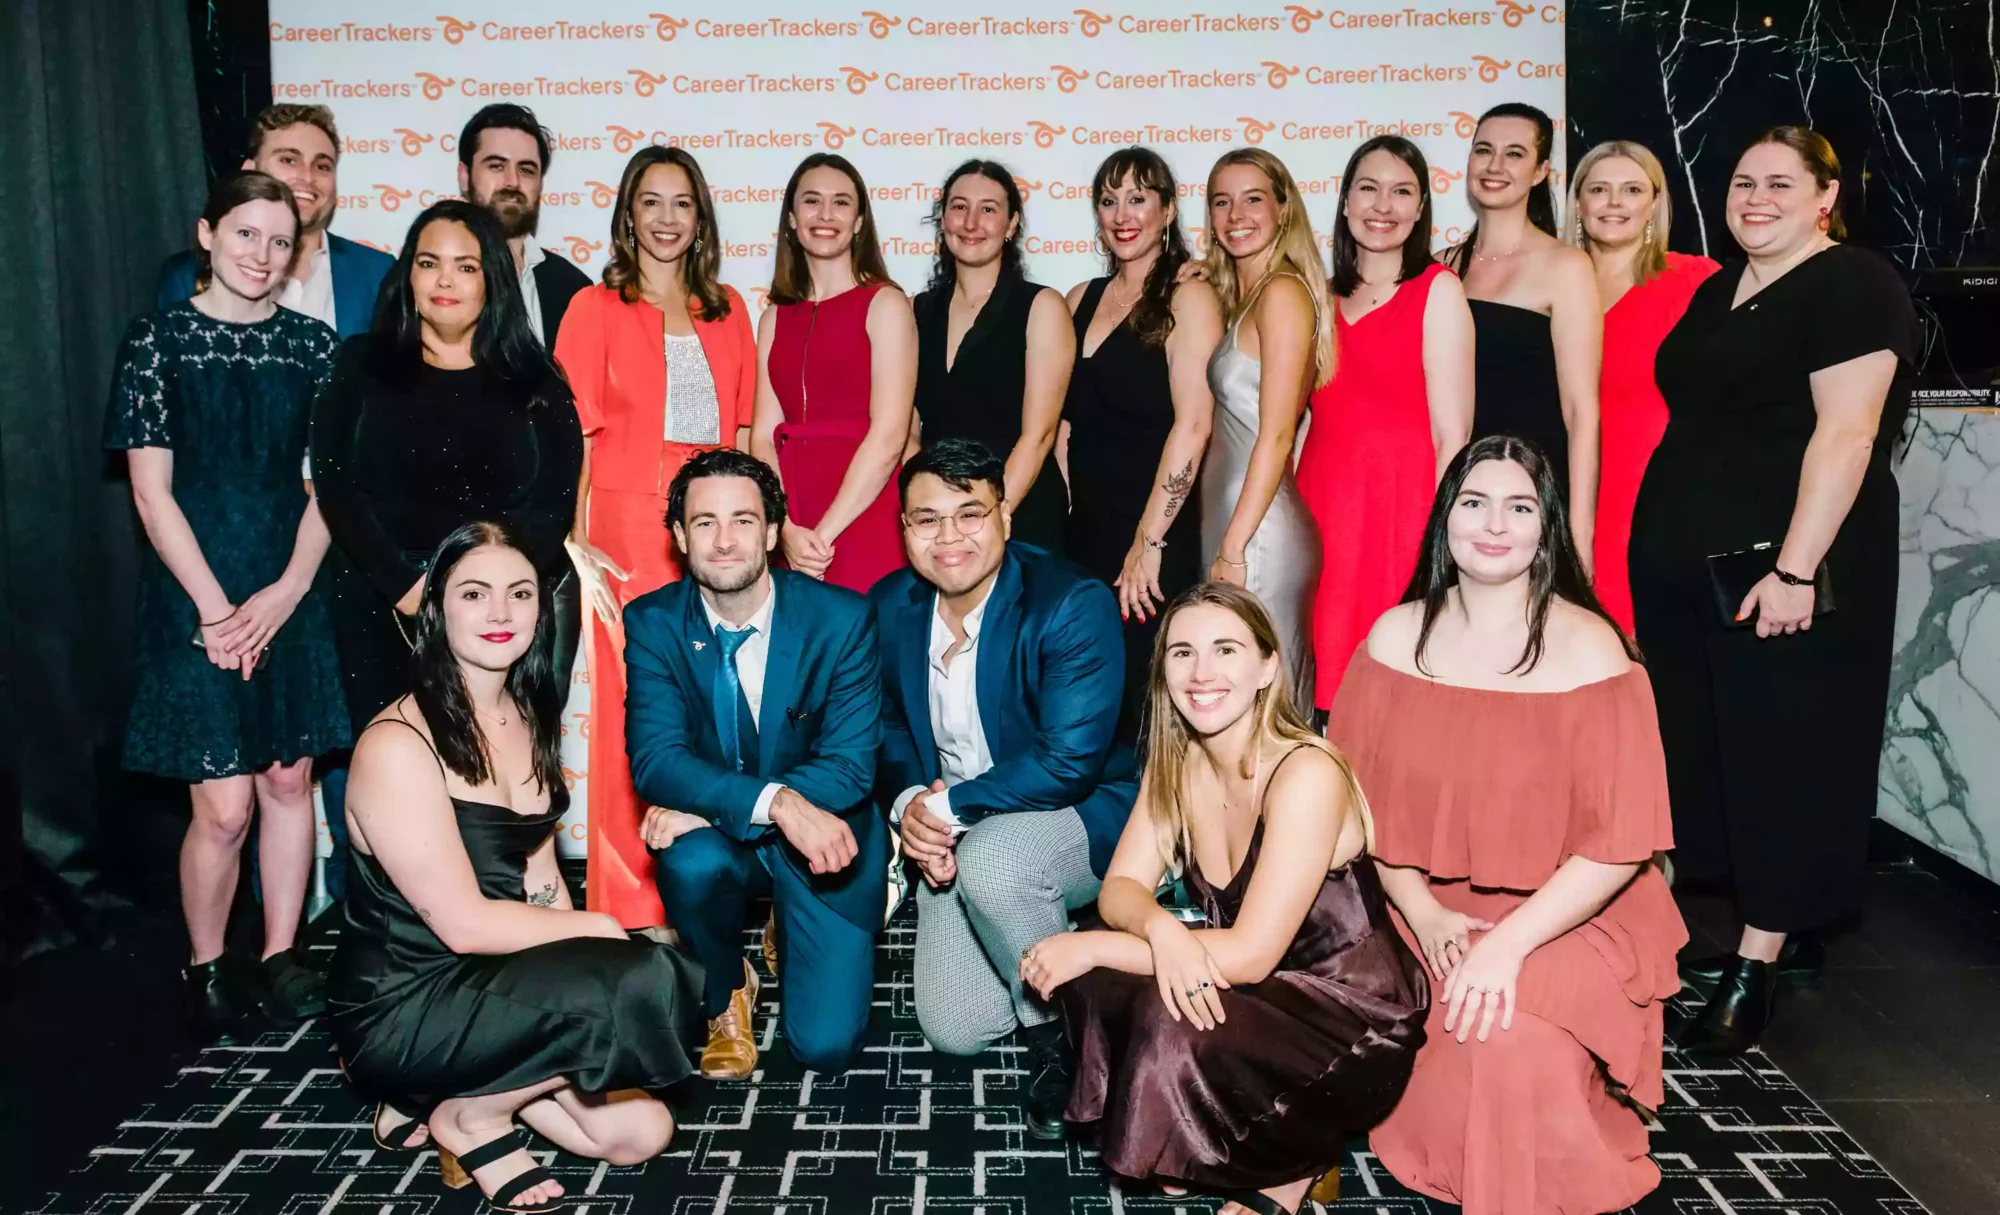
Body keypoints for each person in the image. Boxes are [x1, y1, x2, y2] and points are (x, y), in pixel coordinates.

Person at [1331, 435, 1686, 1215]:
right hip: (1422, 899)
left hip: (1566, 915)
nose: (1495, 524)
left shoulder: (1595, 651)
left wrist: (1510, 946)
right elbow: (1360, 810)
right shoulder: (1393, 639)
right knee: (1425, 1024)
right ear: (1445, 520)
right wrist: (1423, 914)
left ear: (1545, 525)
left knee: (1504, 1038)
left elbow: (1622, 841)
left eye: (1519, 506)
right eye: (1474, 502)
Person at [1631, 127, 1918, 1052]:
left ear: (1825, 196)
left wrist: (1795, 569)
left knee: (1788, 752)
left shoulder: (1854, 284)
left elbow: (1846, 436)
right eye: (1742, 181)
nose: (1755, 197)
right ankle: (1778, 933)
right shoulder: (1722, 288)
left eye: (1780, 184)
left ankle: (1756, 960)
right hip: (1692, 564)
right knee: (1716, 750)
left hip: (1788, 565)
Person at [328, 521, 702, 1215]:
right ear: (436, 608)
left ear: (542, 605)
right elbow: (466, 924)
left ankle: (450, 1093)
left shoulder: (525, 712)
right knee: (642, 965)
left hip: (496, 980)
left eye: (520, 592)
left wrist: (592, 973)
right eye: (475, 593)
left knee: (642, 1131)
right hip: (405, 999)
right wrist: (605, 945)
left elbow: (540, 875)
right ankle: (465, 1115)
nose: (501, 613)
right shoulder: (397, 744)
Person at [1026, 582, 1427, 1215]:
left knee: (1161, 1013)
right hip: (1261, 987)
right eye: (1182, 652)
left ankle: (1292, 1163)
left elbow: (1248, 955)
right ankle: (1205, 1135)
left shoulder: (1306, 773)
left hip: (1348, 1014)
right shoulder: (1179, 761)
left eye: (1226, 650)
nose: (1202, 672)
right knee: (1099, 980)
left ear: (1268, 667)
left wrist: (1098, 943)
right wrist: (1160, 932)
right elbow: (1121, 888)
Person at [107, 171, 351, 1042]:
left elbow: (332, 488)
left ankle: (283, 953)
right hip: (194, 593)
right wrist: (216, 609)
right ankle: (208, 961)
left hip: (290, 585)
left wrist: (285, 593)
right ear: (208, 234)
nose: (262, 254)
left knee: (289, 779)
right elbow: (150, 495)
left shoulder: (315, 347)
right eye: (246, 234)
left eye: (280, 241)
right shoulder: (157, 341)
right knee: (224, 804)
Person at [873, 438, 1138, 1138]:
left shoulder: (1070, 602)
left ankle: (1069, 1042)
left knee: (996, 861)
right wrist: (910, 812)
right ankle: (1069, 943)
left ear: (1005, 518)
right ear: (903, 529)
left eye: (970, 513)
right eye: (926, 519)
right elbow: (886, 729)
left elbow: (1067, 762)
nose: (949, 537)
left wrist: (947, 810)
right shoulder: (889, 605)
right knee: (955, 1025)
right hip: (957, 824)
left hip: (1081, 814)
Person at [626, 449, 887, 1077]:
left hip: (826, 833)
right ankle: (727, 987)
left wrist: (718, 807)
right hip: (750, 831)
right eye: (704, 522)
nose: (723, 541)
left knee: (824, 1049)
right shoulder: (653, 622)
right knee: (687, 861)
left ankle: (787, 926)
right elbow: (657, 760)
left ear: (772, 533)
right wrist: (770, 804)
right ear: (680, 536)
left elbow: (850, 767)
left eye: (743, 521)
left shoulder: (842, 619)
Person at [557, 145, 758, 930]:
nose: (667, 219)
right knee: (635, 712)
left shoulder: (729, 307)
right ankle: (637, 909)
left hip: (711, 519)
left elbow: (739, 428)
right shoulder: (594, 308)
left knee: (721, 704)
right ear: (628, 214)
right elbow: (573, 437)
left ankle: (718, 888)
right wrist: (578, 544)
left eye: (682, 203)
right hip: (624, 530)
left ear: (700, 216)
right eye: (651, 202)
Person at [311, 200, 583, 734]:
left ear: (493, 280)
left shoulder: (536, 377)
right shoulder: (360, 362)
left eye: (466, 266)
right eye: (429, 262)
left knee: (490, 794)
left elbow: (553, 504)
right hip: (381, 599)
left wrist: (486, 597)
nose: (445, 280)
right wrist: (409, 590)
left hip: (499, 613)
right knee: (392, 787)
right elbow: (336, 486)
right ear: (407, 272)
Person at [1298, 135, 1474, 708]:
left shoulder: (1438, 291)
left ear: (1421, 208)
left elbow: (1454, 433)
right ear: (1345, 201)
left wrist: (1442, 538)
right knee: (1317, 677)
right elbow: (1303, 420)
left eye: (1402, 192)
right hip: (1320, 509)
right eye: (1368, 189)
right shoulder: (1318, 298)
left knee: (1391, 681)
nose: (1383, 206)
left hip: (1401, 515)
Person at [1064, 147, 1223, 738]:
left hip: (1154, 533)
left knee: (1152, 709)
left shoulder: (1188, 296)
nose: (1122, 214)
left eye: (1138, 198)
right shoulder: (1078, 298)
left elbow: (1195, 424)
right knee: (1089, 706)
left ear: (1167, 210)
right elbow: (1063, 423)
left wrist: (1148, 540)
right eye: (1109, 200)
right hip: (1084, 537)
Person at [1194, 149, 1331, 699]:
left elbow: (1276, 434)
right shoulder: (1250, 295)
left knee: (1270, 702)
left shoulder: (1282, 292)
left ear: (1284, 209)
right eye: (1221, 202)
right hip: (1237, 522)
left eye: (1253, 199)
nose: (1236, 215)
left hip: (1258, 531)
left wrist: (1233, 548)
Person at [1569, 141, 1720, 634]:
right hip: (1566, 491)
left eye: (1632, 189)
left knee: (1653, 657)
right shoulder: (1550, 284)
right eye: (1599, 189)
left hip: (1658, 497)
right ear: (1578, 204)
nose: (1614, 203)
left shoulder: (1697, 281)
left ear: (1654, 203)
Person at [750, 153, 915, 593]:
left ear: (860, 221)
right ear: (791, 217)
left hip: (866, 510)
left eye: (841, 202)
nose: (825, 214)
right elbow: (763, 436)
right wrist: (783, 525)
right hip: (791, 514)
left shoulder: (886, 305)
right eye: (811, 201)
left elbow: (890, 435)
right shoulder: (773, 317)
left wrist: (823, 534)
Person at [1444, 103, 1601, 554]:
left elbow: (1581, 412)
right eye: (1483, 151)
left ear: (1540, 171)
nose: (1494, 166)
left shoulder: (1566, 266)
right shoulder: (1441, 266)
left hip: (1530, 498)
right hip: (1458, 497)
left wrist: (1580, 535)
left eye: (1514, 154)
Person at [911, 161, 1072, 551]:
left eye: (988, 209)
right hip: (939, 525)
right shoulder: (915, 311)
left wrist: (989, 520)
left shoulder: (1041, 307)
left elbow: (1039, 436)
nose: (970, 223)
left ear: (1012, 224)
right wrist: (932, 514)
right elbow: (908, 430)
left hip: (1019, 518)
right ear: (943, 218)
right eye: (959, 206)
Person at [156, 104, 392, 339]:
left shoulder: (377, 272)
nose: (307, 177)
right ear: (250, 171)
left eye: (322, 166)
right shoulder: (185, 275)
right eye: (289, 160)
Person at [457, 103, 593, 347]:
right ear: (465, 177)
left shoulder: (573, 288)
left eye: (526, 169)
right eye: (496, 166)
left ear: (540, 184)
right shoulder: (428, 278)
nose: (512, 182)